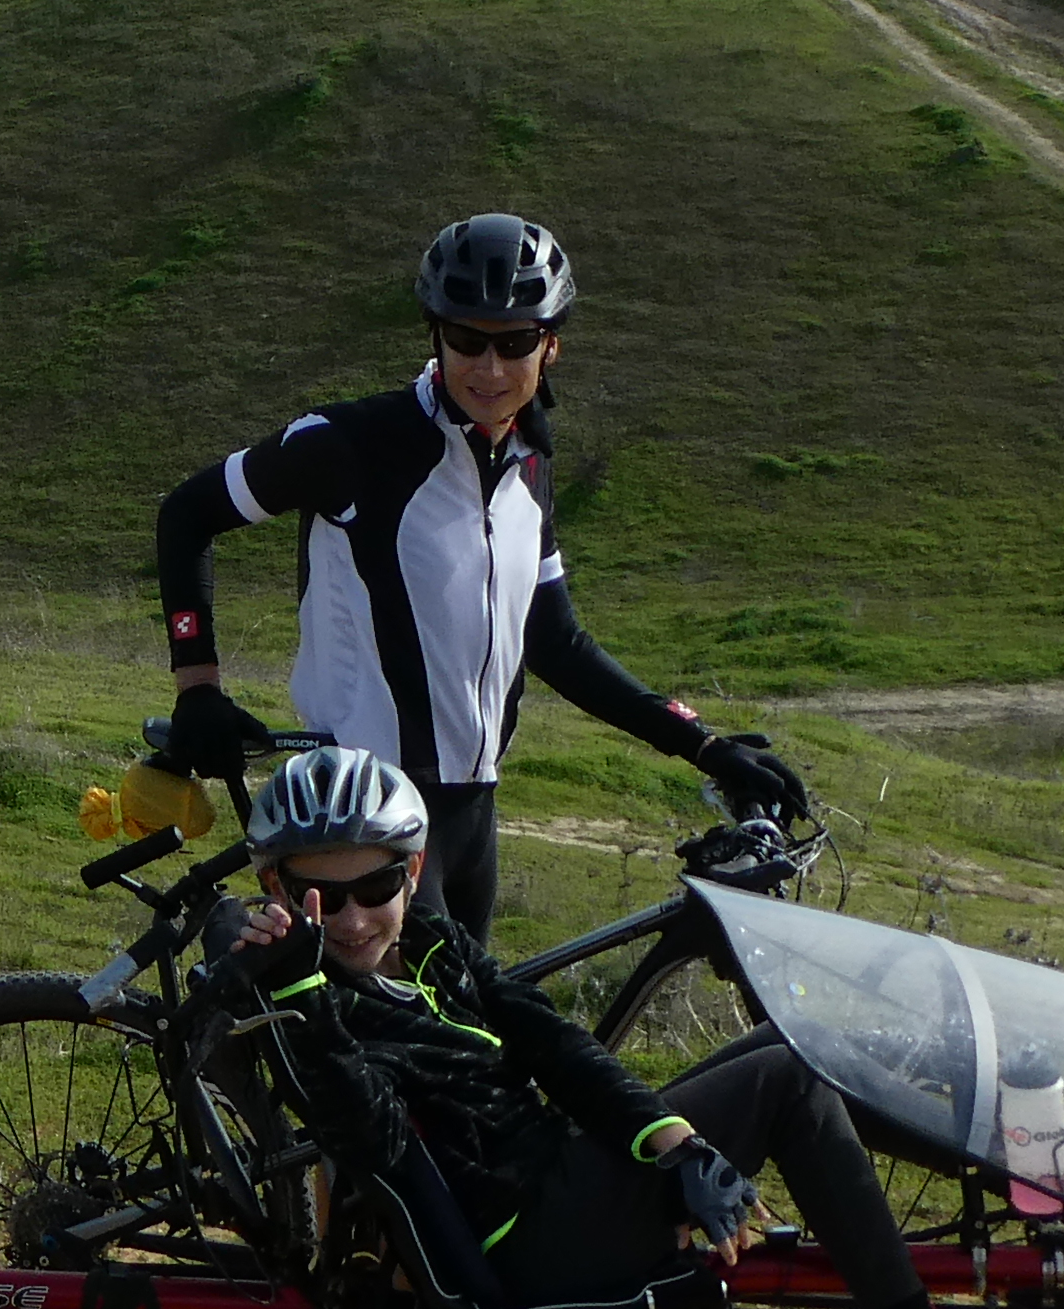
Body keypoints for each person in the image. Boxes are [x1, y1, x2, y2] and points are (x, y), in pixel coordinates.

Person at [210, 746, 1064, 1309]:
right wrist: (300, 993)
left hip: (558, 1182)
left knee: (796, 1052)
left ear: (412, 873)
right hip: (521, 1245)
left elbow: (554, 1045)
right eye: (324, 898)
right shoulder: (305, 1006)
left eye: (375, 889)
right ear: (277, 891)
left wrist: (669, 1141)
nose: (354, 920)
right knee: (785, 1079)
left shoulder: (434, 949)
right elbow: (364, 1131)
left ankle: (1009, 1183)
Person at [151, 210, 802, 946]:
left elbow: (555, 641)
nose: (489, 369)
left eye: (514, 344)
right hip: (363, 822)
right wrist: (197, 686)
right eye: (467, 340)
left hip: (472, 815)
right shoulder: (352, 444)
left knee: (477, 1019)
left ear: (550, 346)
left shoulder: (528, 465)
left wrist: (702, 745)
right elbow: (187, 515)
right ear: (436, 335)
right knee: (433, 1017)